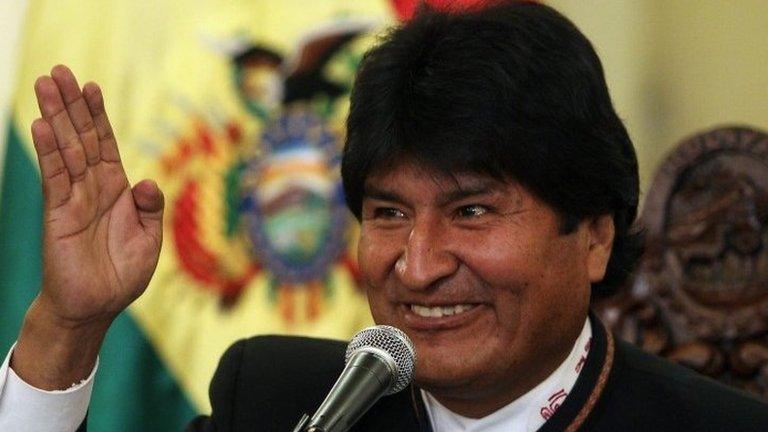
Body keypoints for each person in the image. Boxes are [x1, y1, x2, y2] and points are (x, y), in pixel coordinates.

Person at [1, 2, 767, 431]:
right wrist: (67, 327)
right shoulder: (277, 403)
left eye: (471, 210)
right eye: (389, 212)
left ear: (595, 235)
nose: (419, 264)